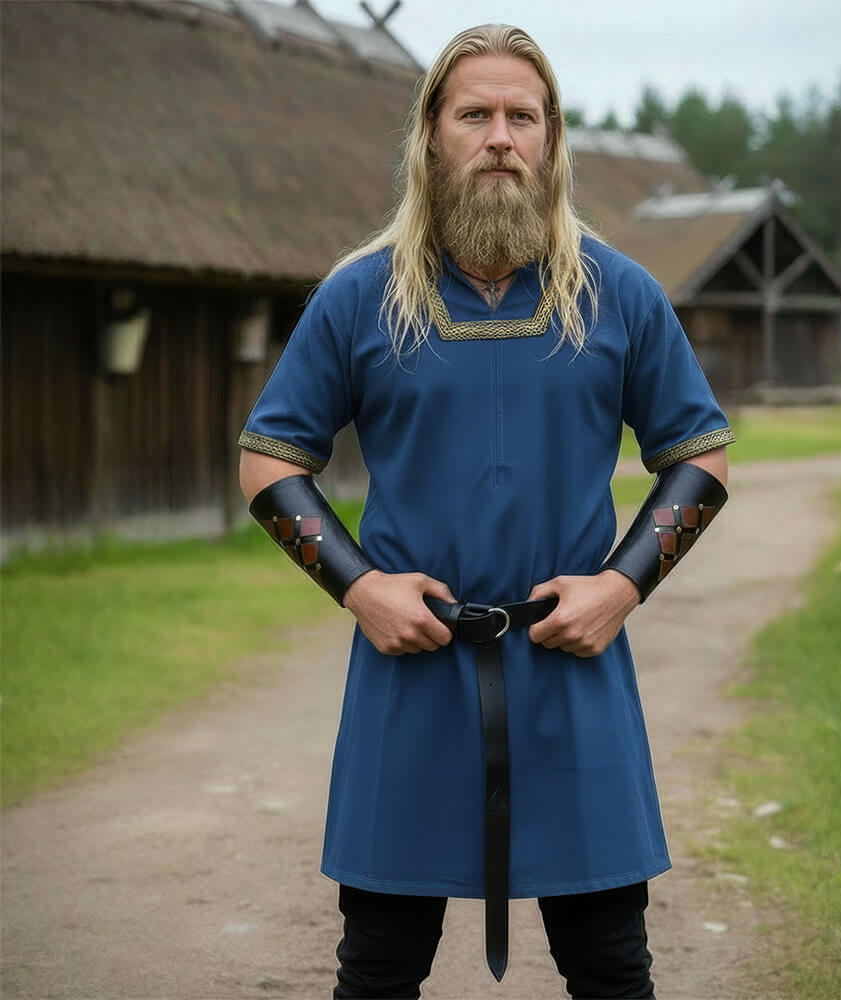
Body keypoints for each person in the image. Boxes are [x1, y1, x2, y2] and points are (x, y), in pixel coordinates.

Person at [238, 23, 733, 1000]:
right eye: (476, 114)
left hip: (571, 666)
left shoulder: (618, 295)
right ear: (431, 135)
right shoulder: (360, 297)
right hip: (409, 672)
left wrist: (621, 587)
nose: (500, 136)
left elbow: (698, 458)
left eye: (522, 116)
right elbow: (268, 462)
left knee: (611, 966)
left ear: (551, 140)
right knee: (377, 969)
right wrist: (360, 587)